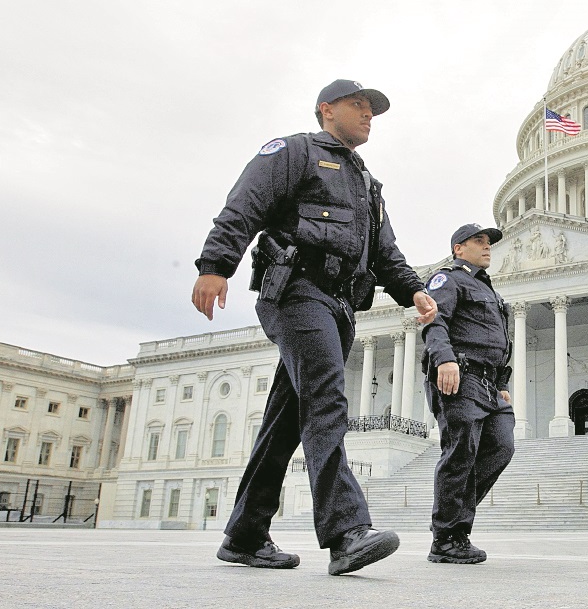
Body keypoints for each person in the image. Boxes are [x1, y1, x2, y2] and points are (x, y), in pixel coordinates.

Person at [191, 79, 437, 576]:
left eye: (373, 109)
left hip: (341, 304)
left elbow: (385, 252)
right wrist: (216, 264)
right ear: (327, 109)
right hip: (296, 291)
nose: (369, 115)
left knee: (284, 424)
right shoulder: (293, 152)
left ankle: (244, 534)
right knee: (326, 398)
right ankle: (346, 532)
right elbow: (246, 203)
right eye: (358, 105)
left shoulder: (367, 184)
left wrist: (412, 289)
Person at [421, 224, 516, 563]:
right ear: (459, 248)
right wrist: (444, 359)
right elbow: (433, 321)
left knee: (501, 447)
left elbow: (501, 341)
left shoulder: (491, 291)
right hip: (460, 377)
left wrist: (503, 383)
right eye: (479, 241)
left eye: (488, 242)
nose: (487, 246)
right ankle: (447, 537)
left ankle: (453, 522)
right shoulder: (448, 280)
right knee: (460, 453)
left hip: (490, 385)